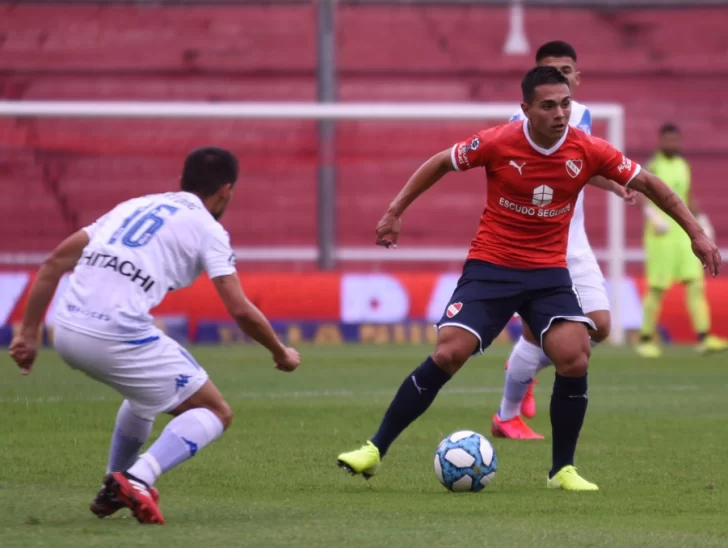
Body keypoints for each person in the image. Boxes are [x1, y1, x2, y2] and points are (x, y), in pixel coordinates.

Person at [336, 66, 720, 492]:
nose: (560, 113)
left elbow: (650, 184)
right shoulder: (500, 141)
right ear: (526, 110)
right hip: (492, 266)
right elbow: (441, 162)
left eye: (566, 104)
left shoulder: (587, 149)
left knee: (574, 355)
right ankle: (374, 449)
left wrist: (697, 234)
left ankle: (562, 471)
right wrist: (394, 211)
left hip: (548, 273)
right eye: (549, 105)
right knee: (449, 353)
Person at [9, 147, 301, 524]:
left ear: (183, 181)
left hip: (64, 329)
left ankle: (113, 486)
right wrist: (280, 352)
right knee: (214, 411)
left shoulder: (134, 206)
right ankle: (138, 477)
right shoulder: (209, 229)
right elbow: (240, 309)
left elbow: (55, 262)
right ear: (226, 190)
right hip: (114, 332)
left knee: (144, 395)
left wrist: (30, 334)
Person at [494, 40, 636, 440]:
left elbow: (581, 166)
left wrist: (616, 184)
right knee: (539, 334)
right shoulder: (518, 124)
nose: (562, 77)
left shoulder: (583, 115)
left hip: (574, 241)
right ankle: (507, 415)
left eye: (567, 71)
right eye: (552, 71)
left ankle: (523, 365)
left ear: (577, 76)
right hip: (534, 244)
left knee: (601, 326)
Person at [636, 123, 727, 357]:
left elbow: (687, 195)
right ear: (660, 140)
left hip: (682, 234)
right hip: (661, 235)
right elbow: (641, 191)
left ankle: (704, 337)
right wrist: (651, 215)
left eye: (675, 140)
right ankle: (645, 338)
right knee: (657, 287)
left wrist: (701, 219)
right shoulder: (653, 163)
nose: (672, 144)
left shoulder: (682, 164)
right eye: (668, 140)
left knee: (695, 284)